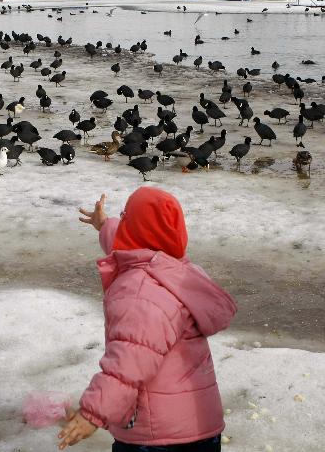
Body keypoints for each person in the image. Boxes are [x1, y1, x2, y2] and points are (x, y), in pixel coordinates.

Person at [58, 188, 237, 451]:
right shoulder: (179, 273)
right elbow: (134, 245)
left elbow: (127, 366)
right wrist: (104, 224)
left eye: (125, 217)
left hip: (157, 437)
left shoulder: (140, 293)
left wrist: (92, 415)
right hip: (202, 428)